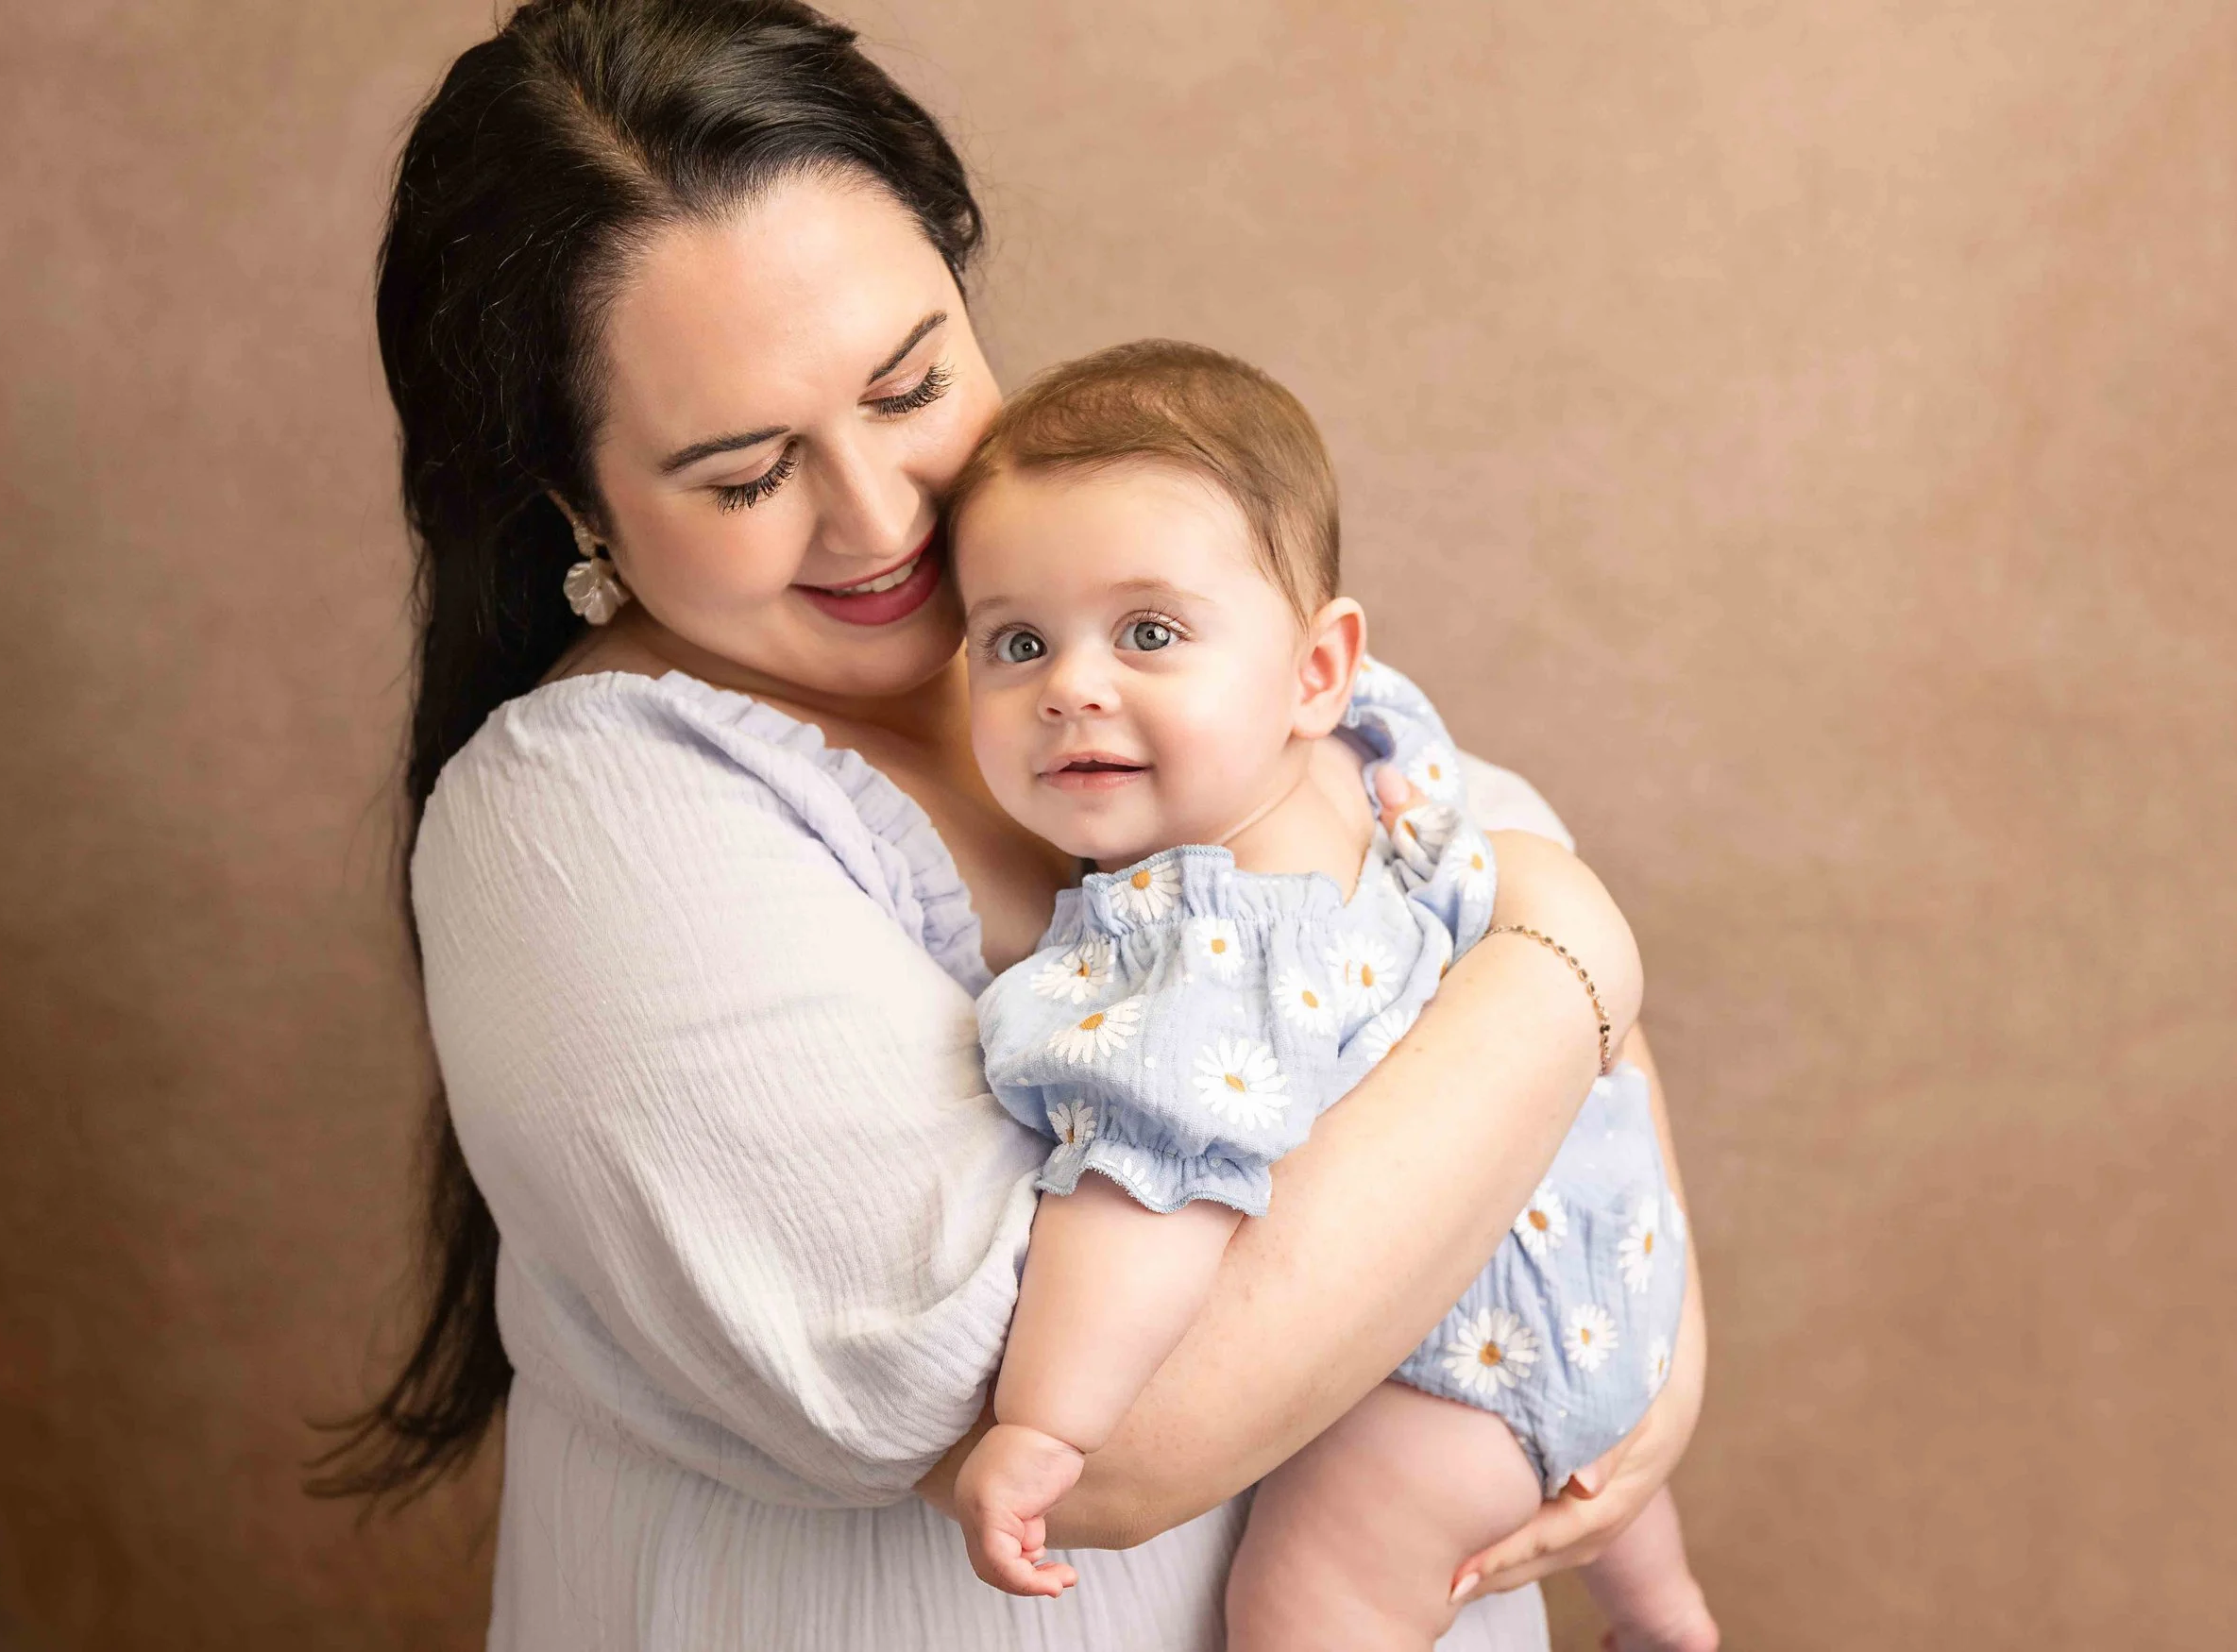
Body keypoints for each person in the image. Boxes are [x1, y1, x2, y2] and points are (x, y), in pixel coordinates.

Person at [314, 3, 1706, 1647]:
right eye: (750, 473)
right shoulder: (586, 820)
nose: (885, 514)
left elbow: (1503, 974)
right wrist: (1573, 949)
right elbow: (1072, 1430)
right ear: (576, 506)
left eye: (910, 384)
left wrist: (1654, 1372)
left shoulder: (1107, 585)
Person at [941, 342, 1717, 1652]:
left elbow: (1151, 1184)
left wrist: (1043, 1423)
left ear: (1312, 667)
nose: (1072, 685)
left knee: (1308, 1604)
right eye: (1017, 642)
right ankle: (1662, 1610)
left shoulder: (1206, 941)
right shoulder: (1376, 751)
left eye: (1148, 632)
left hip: (1450, 1364)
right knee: (1586, 1509)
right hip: (1600, 1252)